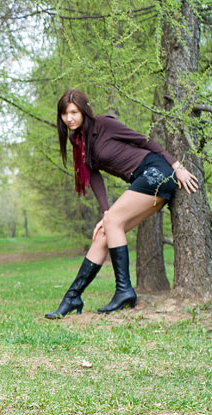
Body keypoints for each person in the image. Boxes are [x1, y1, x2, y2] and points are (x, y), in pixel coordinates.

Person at [45, 89, 199, 319]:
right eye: (65, 114)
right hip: (144, 182)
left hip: (155, 171)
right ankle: (72, 297)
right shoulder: (77, 140)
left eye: (74, 112)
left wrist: (176, 165)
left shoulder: (104, 124)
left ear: (84, 110)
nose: (69, 118)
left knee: (111, 222)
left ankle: (124, 290)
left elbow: (144, 140)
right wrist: (106, 213)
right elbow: (94, 176)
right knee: (103, 234)